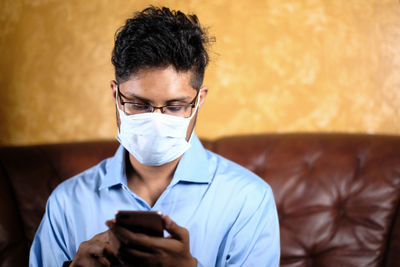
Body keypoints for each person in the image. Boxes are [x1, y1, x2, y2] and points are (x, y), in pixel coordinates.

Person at [29, 6, 280, 267]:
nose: (157, 122)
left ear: (199, 100)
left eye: (174, 106)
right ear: (116, 96)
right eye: (139, 104)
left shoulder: (249, 200)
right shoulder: (67, 202)